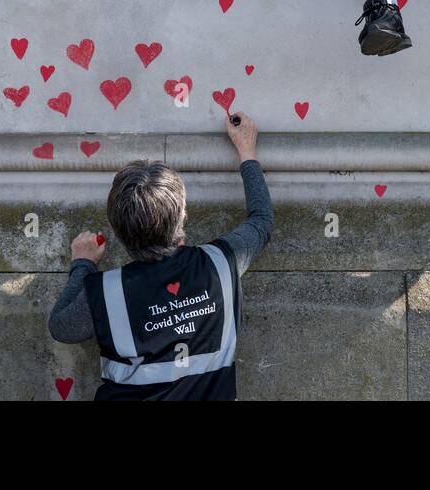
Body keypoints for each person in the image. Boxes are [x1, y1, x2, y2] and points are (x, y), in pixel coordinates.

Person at [47, 112, 272, 400]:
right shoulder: (221, 262)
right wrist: (247, 152)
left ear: (117, 232)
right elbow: (262, 221)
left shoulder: (106, 293)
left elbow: (61, 327)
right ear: (182, 215)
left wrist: (83, 264)